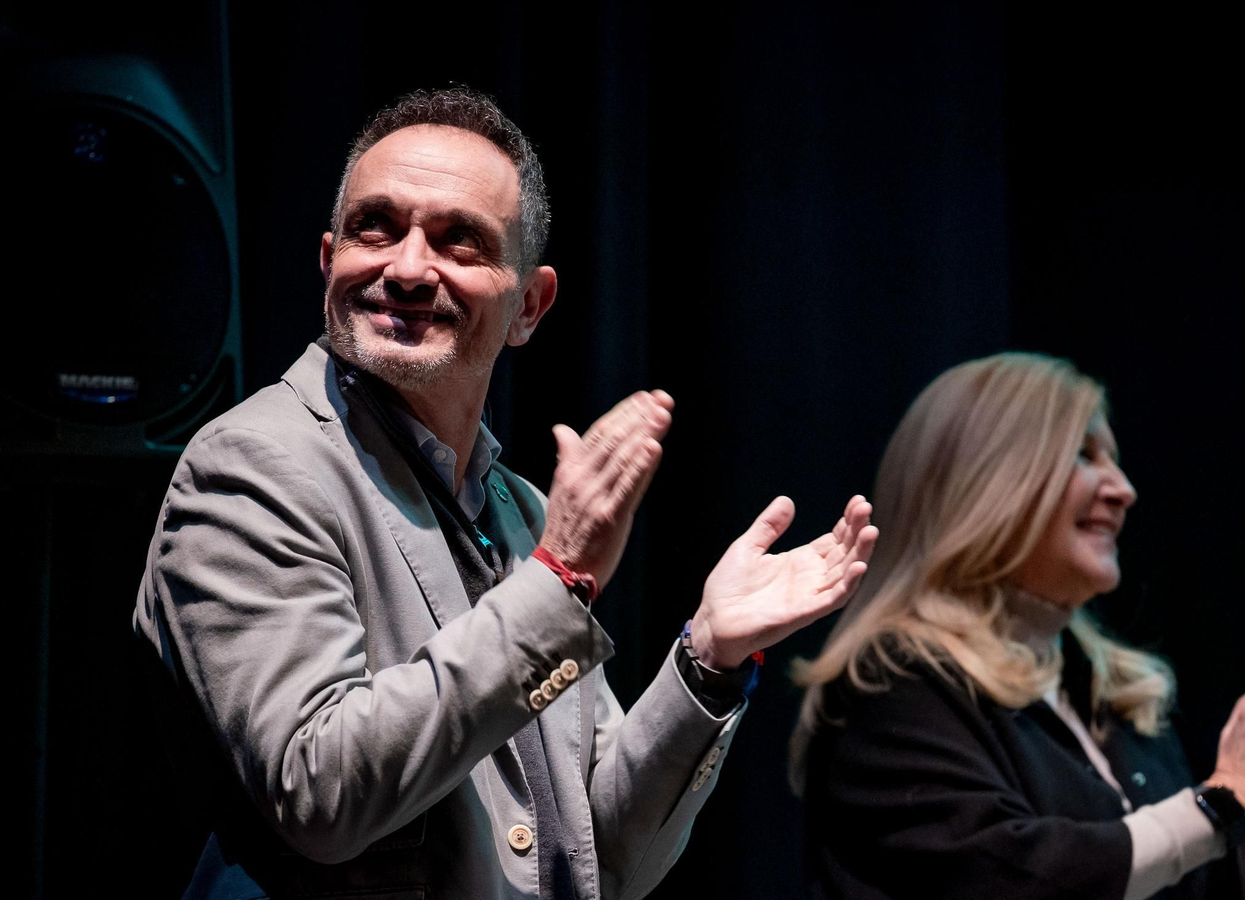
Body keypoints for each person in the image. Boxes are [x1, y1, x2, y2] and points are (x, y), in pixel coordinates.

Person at [134, 87, 878, 900]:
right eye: (375, 227)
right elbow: (319, 792)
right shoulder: (252, 466)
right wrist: (557, 581)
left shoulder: (519, 509)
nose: (406, 268)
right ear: (327, 262)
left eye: (459, 241)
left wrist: (708, 660)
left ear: (529, 306)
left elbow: (602, 855)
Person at [792, 352, 1245, 900]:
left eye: (1114, 460)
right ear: (986, 482)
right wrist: (1227, 801)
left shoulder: (1114, 693)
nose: (1124, 490)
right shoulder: (891, 684)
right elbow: (1011, 878)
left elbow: (1207, 880)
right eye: (1084, 454)